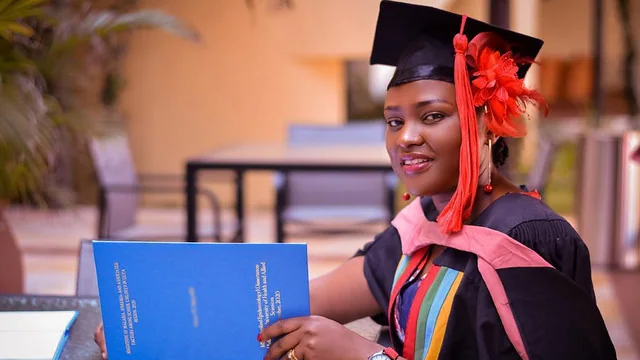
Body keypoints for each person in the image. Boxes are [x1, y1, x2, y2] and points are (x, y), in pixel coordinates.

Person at [95, 1, 616, 359]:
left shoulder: (527, 240)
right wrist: (149, 320)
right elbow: (296, 302)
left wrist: (366, 355)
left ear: (483, 123)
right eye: (394, 121)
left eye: (432, 116)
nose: (406, 137)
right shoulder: (425, 223)